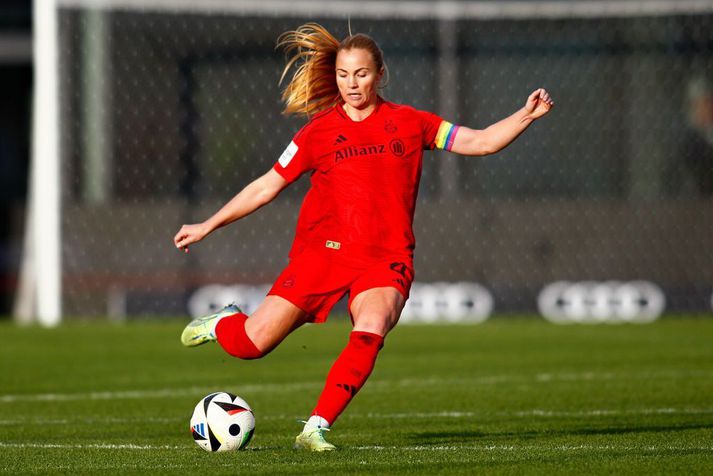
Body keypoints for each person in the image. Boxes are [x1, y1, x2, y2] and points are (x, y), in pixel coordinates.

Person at [173, 23, 553, 451]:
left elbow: (481, 142)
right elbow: (266, 186)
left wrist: (526, 115)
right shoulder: (317, 132)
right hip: (325, 254)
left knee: (371, 326)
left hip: (385, 258)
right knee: (250, 346)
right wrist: (208, 224)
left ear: (380, 74)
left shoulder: (411, 123)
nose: (351, 84)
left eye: (361, 74)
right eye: (343, 74)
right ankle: (226, 320)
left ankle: (315, 427)